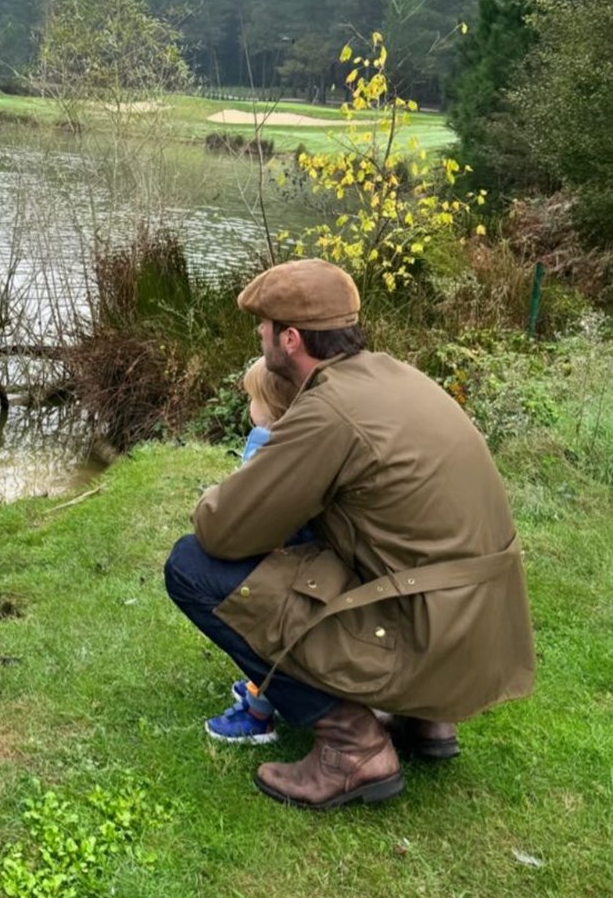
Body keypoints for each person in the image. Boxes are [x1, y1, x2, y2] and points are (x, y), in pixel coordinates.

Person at [164, 259, 535, 811]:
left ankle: (353, 746)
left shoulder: (329, 410)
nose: (258, 335)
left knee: (191, 567)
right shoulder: (396, 376)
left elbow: (223, 530)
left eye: (262, 326)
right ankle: (428, 721)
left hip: (433, 635)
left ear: (289, 339)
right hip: (483, 635)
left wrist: (212, 498)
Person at [204, 356, 310, 745]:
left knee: (263, 634)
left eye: (251, 399)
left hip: (275, 563)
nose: (249, 407)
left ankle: (258, 713)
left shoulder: (267, 445)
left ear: (270, 407)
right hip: (305, 558)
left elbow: (244, 506)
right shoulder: (308, 443)